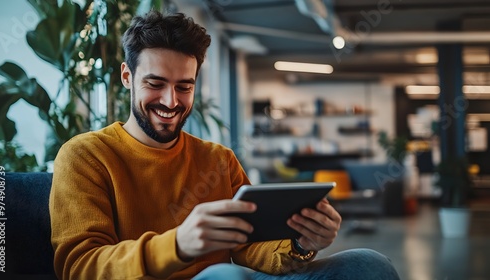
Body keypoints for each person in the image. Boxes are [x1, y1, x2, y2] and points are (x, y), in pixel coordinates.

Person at [49, 10, 401, 280]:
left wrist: (300, 243)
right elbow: (78, 266)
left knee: (368, 264)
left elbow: (248, 247)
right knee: (225, 274)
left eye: (184, 87)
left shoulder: (217, 159)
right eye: (155, 83)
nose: (171, 101)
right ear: (128, 76)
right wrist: (177, 245)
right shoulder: (85, 155)